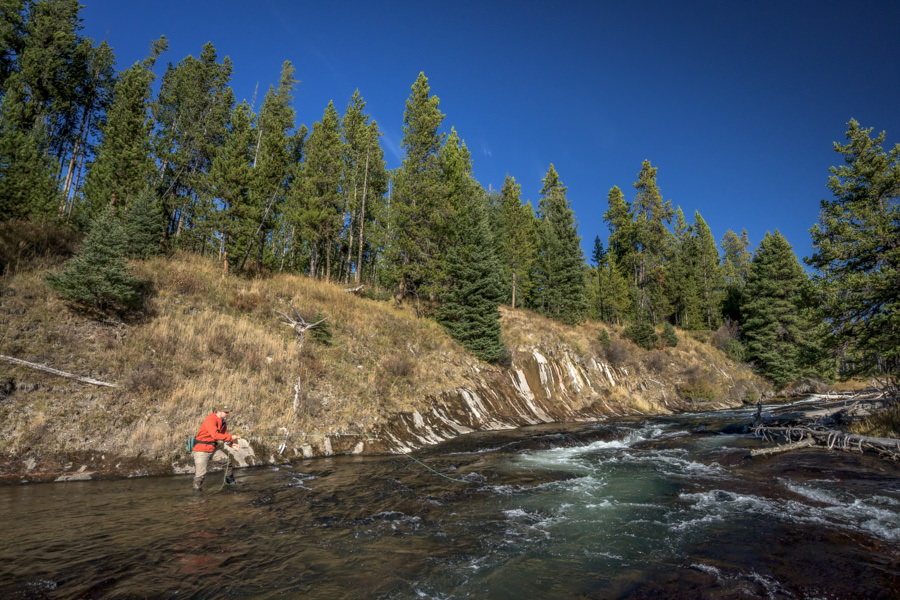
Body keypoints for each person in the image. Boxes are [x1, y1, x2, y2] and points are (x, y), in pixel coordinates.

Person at [191, 405, 240, 491]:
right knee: (200, 474)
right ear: (219, 411)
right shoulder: (211, 419)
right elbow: (215, 435)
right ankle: (196, 492)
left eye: (228, 412)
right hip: (201, 450)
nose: (227, 414)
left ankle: (230, 482)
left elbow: (224, 436)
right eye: (226, 412)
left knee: (226, 461)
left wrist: (231, 444)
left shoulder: (223, 422)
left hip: (212, 448)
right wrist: (231, 437)